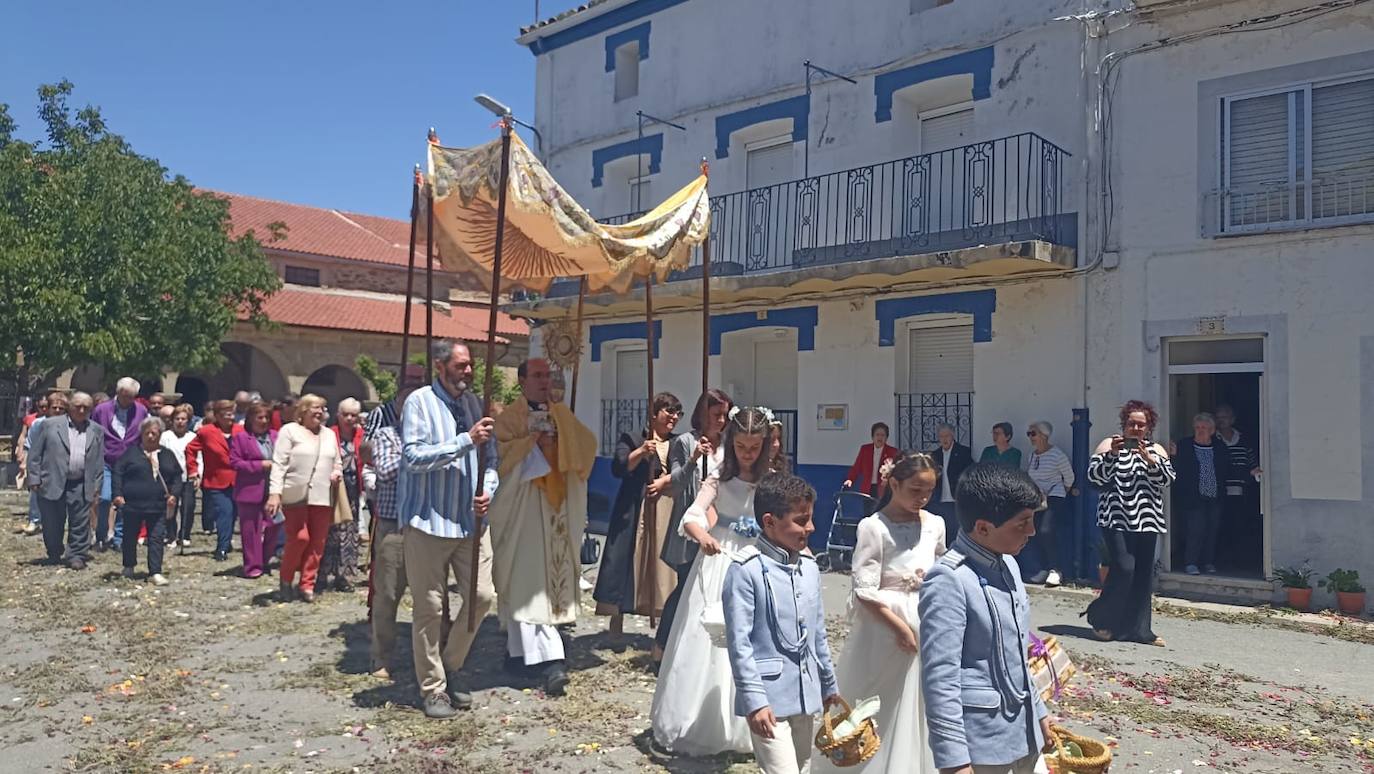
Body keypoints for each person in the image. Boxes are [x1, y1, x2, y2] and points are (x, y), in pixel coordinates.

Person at [651, 406, 771, 756]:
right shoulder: (719, 476)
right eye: (741, 447)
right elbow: (692, 515)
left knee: (755, 637)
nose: (747, 454)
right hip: (721, 559)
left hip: (758, 561)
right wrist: (702, 535)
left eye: (754, 448)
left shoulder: (771, 479)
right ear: (732, 443)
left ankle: (752, 720)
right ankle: (701, 721)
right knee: (711, 637)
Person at [920, 463, 1052, 774]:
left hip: (1024, 732)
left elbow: (1017, 656)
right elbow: (941, 679)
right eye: (1022, 524)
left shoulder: (1009, 565)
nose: (1032, 532)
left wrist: (1039, 712)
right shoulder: (948, 580)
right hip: (982, 744)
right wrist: (954, 761)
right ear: (982, 528)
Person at [821, 452, 946, 774]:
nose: (922, 498)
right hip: (885, 622)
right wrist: (899, 628)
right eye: (914, 490)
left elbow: (943, 570)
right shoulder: (874, 527)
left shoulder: (934, 524)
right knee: (883, 695)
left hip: (928, 616)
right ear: (894, 483)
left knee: (925, 696)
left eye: (928, 491)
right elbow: (864, 588)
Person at [398, 340, 497, 719]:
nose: (468, 372)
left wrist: (488, 490)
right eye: (460, 366)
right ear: (440, 366)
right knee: (430, 607)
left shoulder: (476, 405)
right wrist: (464, 441)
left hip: (471, 523)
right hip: (428, 520)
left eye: (470, 365)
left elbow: (493, 461)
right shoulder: (419, 402)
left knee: (483, 597)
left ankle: (451, 664)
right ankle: (434, 688)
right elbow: (413, 457)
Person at [489, 357, 597, 696]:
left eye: (547, 376)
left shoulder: (562, 413)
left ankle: (522, 656)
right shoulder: (508, 418)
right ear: (521, 380)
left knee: (546, 582)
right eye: (536, 375)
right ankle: (549, 660)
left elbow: (586, 448)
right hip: (522, 508)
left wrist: (561, 440)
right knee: (526, 582)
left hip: (556, 510)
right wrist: (531, 442)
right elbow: (500, 458)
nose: (544, 381)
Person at [723, 472, 840, 774]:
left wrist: (828, 684)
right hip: (768, 698)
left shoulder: (810, 568)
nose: (810, 528)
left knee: (802, 768)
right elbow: (740, 644)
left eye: (810, 519)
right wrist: (755, 701)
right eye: (801, 521)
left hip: (806, 690)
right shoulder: (745, 571)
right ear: (770, 521)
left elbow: (817, 634)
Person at [1084, 400, 1175, 647]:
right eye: (1132, 423)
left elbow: (1166, 480)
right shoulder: (1107, 445)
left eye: (1141, 425)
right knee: (1124, 568)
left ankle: (1139, 630)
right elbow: (1094, 477)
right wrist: (1113, 455)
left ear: (1149, 427)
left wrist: (1150, 460)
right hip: (1115, 518)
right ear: (1124, 424)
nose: (1136, 428)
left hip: (1147, 519)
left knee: (1143, 575)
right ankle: (1100, 617)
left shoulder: (1157, 450)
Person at [595, 391, 682, 634]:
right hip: (634, 508)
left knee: (660, 563)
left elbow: (682, 473)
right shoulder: (633, 438)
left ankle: (660, 620)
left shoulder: (678, 443)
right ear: (654, 414)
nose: (674, 417)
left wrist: (665, 481)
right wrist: (642, 452)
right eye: (669, 411)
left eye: (678, 413)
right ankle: (616, 620)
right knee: (624, 560)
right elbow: (619, 467)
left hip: (665, 510)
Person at [656, 388, 732, 665]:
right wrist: (693, 459)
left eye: (724, 415)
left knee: (710, 591)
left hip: (720, 526)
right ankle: (662, 647)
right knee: (686, 588)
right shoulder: (686, 442)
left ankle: (697, 651)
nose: (720, 421)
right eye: (715, 415)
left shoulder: (727, 445)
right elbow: (675, 482)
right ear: (703, 413)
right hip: (692, 526)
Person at [266, 395, 342, 603]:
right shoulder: (289, 431)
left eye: (323, 408)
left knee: (318, 542)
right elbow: (279, 463)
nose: (320, 412)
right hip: (295, 492)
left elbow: (337, 461)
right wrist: (275, 493)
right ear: (303, 410)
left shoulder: (328, 434)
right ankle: (286, 579)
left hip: (322, 493)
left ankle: (307, 584)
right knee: (300, 538)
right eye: (315, 408)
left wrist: (336, 472)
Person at [363, 385, 414, 679]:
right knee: (387, 594)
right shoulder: (386, 435)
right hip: (394, 525)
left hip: (425, 526)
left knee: (433, 597)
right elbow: (387, 470)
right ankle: (381, 656)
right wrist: (421, 455)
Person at [27, 392, 104, 570]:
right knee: (52, 520)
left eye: (86, 407)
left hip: (81, 482)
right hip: (51, 479)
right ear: (70, 406)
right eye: (78, 406)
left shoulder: (96, 430)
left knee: (80, 521)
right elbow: (35, 454)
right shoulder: (49, 425)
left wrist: (97, 485)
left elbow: (99, 461)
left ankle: (76, 554)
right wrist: (34, 478)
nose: (82, 410)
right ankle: (54, 552)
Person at [112, 417, 180, 586]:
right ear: (141, 434)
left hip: (158, 505)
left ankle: (155, 571)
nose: (151, 437)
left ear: (160, 435)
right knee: (129, 536)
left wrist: (174, 494)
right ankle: (128, 566)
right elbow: (118, 473)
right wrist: (118, 494)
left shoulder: (167, 455)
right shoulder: (131, 453)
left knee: (156, 538)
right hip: (133, 504)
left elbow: (177, 476)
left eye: (154, 433)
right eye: (147, 433)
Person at [91, 377, 149, 551]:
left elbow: (144, 434)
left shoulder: (141, 411)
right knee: (105, 498)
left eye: (131, 397)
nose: (127, 400)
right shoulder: (102, 410)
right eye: (124, 396)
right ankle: (101, 535)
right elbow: (93, 432)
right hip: (106, 460)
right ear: (117, 393)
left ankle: (119, 538)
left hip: (129, 463)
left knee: (125, 501)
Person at [1170, 413, 1229, 576]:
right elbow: (1176, 469)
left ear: (1212, 430)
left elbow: (1227, 469)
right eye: (1197, 427)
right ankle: (1191, 562)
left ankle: (1208, 562)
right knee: (1195, 530)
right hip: (1192, 498)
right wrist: (1174, 456)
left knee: (1211, 531)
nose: (1200, 430)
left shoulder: (1219, 447)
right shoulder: (1184, 445)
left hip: (1215, 497)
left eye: (1204, 428)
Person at [186, 400, 242, 561]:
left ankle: (226, 539)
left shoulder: (241, 430)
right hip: (216, 481)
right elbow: (190, 449)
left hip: (238, 480)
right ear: (217, 416)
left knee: (233, 514)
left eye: (232, 414)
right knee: (224, 512)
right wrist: (193, 470)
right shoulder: (207, 432)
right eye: (226, 415)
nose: (230, 418)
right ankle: (222, 548)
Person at [229, 401, 280, 579]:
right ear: (251, 419)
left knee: (275, 525)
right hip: (250, 490)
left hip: (273, 489)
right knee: (251, 531)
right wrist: (260, 465)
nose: (264, 421)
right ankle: (252, 566)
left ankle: (265, 559)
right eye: (260, 417)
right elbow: (235, 462)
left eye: (267, 417)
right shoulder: (241, 438)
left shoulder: (276, 436)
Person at [1023, 421, 1075, 588]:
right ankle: (1041, 568)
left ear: (1044, 436)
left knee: (1047, 531)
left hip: (1054, 497)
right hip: (1037, 499)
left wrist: (1059, 492)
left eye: (1033, 433)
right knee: (1034, 532)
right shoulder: (1031, 456)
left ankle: (1056, 569)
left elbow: (1069, 478)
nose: (1030, 437)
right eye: (1029, 433)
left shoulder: (1057, 455)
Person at [319, 397, 363, 592]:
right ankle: (322, 574)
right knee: (330, 532)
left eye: (353, 415)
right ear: (338, 415)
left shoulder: (362, 435)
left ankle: (343, 576)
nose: (349, 418)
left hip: (353, 490)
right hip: (332, 488)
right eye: (345, 414)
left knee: (350, 534)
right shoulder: (329, 434)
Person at [1213, 404, 1261, 569]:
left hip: (1241, 489)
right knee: (1221, 526)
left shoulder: (1243, 438)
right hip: (1219, 490)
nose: (1221, 421)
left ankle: (1239, 560)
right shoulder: (1213, 438)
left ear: (1232, 419)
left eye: (1225, 417)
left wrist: (1253, 472)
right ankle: (1221, 560)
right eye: (1218, 417)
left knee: (1240, 525)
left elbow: (1252, 462)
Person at [19, 392, 66, 536]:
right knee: (36, 494)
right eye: (54, 407)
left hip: (62, 467)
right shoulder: (39, 424)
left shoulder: (70, 424)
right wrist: (24, 464)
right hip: (42, 465)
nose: (57, 411)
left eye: (61, 408)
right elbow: (30, 446)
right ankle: (35, 520)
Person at [161, 404, 200, 549]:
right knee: (171, 507)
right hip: (170, 479)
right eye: (177, 418)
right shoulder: (165, 437)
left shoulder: (193, 437)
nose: (180, 422)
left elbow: (199, 457)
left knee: (188, 506)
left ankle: (185, 535)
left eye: (183, 419)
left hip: (188, 476)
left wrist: (197, 474)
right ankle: (171, 535)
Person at [928, 424, 973, 541]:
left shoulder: (963, 452)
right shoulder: (935, 455)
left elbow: (969, 474)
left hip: (956, 500)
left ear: (953, 436)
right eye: (941, 436)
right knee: (942, 532)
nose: (944, 439)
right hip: (939, 501)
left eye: (947, 436)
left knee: (956, 532)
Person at [843, 422, 901, 498]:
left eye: (883, 435)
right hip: (868, 488)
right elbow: (857, 467)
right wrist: (850, 479)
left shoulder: (892, 452)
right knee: (868, 509)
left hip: (884, 489)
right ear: (872, 437)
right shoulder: (865, 449)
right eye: (877, 435)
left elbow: (897, 471)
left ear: (886, 437)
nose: (880, 438)